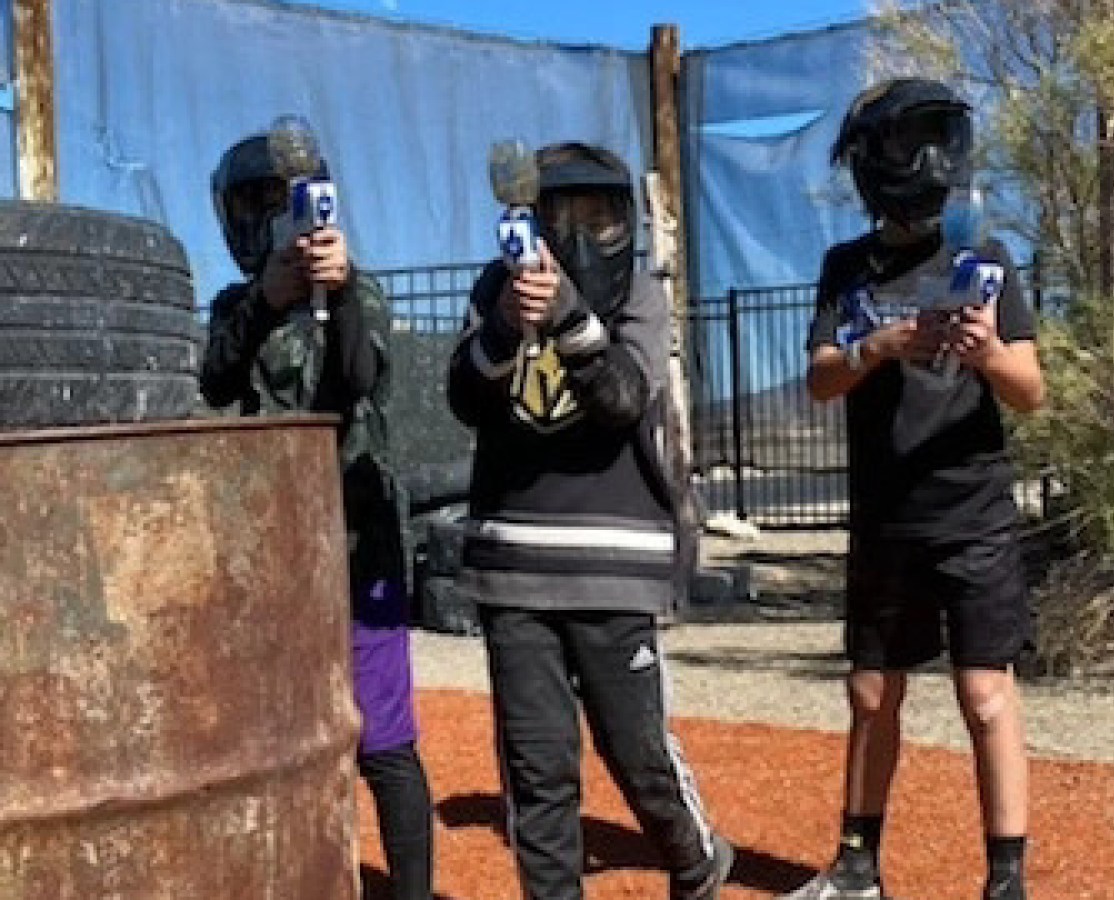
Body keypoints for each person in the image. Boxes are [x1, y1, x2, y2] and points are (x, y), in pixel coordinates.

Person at [776, 79, 1045, 900]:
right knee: (870, 693)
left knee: (985, 695)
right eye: (908, 141)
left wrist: (985, 353)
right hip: (887, 519)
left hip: (974, 514)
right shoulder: (847, 269)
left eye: (939, 137)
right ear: (872, 160)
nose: (929, 159)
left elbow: (1030, 390)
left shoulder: (986, 260)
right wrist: (879, 347)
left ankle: (1006, 879)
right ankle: (858, 868)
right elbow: (820, 380)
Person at [446, 141, 734, 900]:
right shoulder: (494, 289)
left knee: (637, 753)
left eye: (598, 218)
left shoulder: (640, 293)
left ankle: (695, 862)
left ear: (625, 222)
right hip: (514, 570)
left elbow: (623, 399)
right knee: (538, 773)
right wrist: (505, 325)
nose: (576, 237)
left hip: (614, 566)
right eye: (560, 217)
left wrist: (569, 318)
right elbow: (464, 397)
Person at [200, 129, 433, 900]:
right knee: (277, 741)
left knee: (384, 743)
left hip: (360, 548)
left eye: (279, 203)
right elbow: (215, 378)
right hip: (269, 555)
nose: (267, 221)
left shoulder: (361, 295)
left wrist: (338, 291)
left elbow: (360, 377)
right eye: (251, 206)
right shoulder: (235, 306)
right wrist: (267, 301)